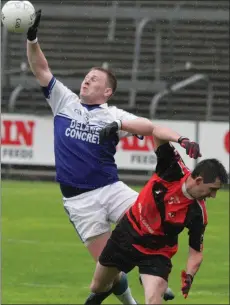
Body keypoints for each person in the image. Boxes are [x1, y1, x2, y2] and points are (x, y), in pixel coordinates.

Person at [26, 10, 175, 304]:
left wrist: (120, 125)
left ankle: (153, 276)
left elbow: (149, 126)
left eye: (94, 79)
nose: (86, 81)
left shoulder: (113, 115)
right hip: (79, 201)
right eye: (86, 77)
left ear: (106, 92)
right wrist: (32, 38)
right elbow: (41, 70)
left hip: (111, 189)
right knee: (110, 269)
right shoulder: (64, 102)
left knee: (154, 219)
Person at [84, 122, 228, 304]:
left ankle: (149, 279)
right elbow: (156, 131)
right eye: (212, 189)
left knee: (154, 299)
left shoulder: (198, 213)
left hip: (158, 252)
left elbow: (196, 252)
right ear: (198, 180)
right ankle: (108, 289)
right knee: (97, 287)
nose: (213, 196)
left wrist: (189, 275)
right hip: (127, 234)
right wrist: (182, 140)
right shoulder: (172, 168)